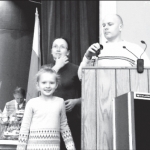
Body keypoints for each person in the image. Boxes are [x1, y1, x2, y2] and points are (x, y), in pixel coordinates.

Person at [17, 66, 76, 150]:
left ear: (56, 85)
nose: (48, 86)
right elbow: (24, 129)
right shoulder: (31, 103)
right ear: (38, 85)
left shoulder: (60, 102)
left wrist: (71, 147)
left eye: (51, 83)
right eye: (44, 82)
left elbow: (64, 127)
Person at [78, 14, 150, 79]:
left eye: (110, 24)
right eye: (103, 25)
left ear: (120, 27)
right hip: (101, 92)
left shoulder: (134, 49)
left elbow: (147, 75)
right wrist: (87, 57)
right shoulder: (96, 49)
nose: (106, 27)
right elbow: (81, 77)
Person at [51, 38, 81, 150]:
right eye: (55, 46)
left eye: (62, 47)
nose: (58, 49)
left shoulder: (76, 69)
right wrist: (57, 66)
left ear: (68, 52)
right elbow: (40, 88)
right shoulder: (45, 69)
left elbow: (89, 95)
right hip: (50, 120)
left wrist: (76, 101)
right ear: (51, 50)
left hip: (71, 120)